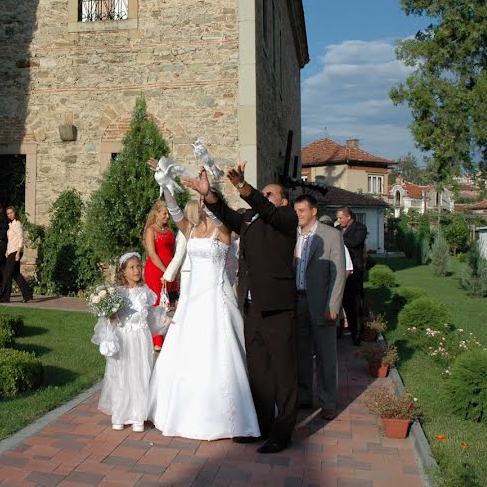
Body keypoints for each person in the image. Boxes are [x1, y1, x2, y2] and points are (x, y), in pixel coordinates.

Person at [187, 163, 299, 454]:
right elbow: (225, 214)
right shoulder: (249, 219)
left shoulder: (287, 217)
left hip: (278, 306)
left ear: (283, 200)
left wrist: (243, 187)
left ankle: (283, 432)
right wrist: (208, 194)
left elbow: (268, 210)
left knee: (283, 371)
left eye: (270, 193)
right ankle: (259, 425)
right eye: (263, 193)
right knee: (258, 370)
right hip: (252, 305)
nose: (265, 196)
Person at [148, 183, 261, 441]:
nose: (201, 206)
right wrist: (166, 184)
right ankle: (176, 411)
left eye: (206, 201)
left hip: (216, 298)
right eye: (200, 202)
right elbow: (176, 212)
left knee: (221, 350)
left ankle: (229, 415)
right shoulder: (191, 229)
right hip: (192, 298)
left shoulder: (223, 231)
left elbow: (221, 220)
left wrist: (212, 201)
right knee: (185, 351)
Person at [92, 252, 170, 432]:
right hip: (123, 338)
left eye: (138, 266)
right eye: (132, 267)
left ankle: (138, 415)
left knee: (140, 373)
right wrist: (110, 323)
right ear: (124, 272)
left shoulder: (146, 293)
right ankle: (120, 413)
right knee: (121, 374)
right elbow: (110, 319)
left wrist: (166, 321)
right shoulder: (116, 294)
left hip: (141, 339)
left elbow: (150, 316)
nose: (136, 270)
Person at [294, 195, 347, 420]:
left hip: (322, 302)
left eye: (302, 211)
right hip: (298, 301)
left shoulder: (332, 235)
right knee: (301, 353)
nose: (298, 215)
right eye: (296, 210)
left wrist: (333, 304)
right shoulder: (293, 235)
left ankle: (328, 401)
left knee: (325, 355)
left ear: (314, 211)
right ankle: (304, 396)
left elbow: (338, 272)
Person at [142, 199, 177, 349]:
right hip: (156, 270)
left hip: (169, 271)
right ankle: (157, 340)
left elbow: (174, 252)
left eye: (168, 214)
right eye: (164, 213)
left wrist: (175, 270)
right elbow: (152, 253)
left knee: (168, 303)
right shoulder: (151, 230)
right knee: (157, 302)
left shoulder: (169, 231)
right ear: (156, 213)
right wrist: (166, 270)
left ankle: (166, 333)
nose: (167, 216)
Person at [336, 206, 368, 345]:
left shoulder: (360, 228)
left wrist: (338, 238)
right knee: (342, 301)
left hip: (355, 271)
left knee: (355, 303)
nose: (338, 220)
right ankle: (344, 330)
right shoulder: (338, 229)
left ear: (349, 217)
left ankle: (358, 333)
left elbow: (355, 242)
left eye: (340, 217)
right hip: (341, 270)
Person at [0, 206, 32, 303]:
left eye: (11, 213)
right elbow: (11, 240)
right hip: (10, 252)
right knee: (16, 274)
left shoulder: (17, 224)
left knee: (6, 274)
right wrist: (7, 252)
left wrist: (17, 253)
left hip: (16, 252)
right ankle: (28, 294)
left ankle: (4, 297)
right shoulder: (11, 224)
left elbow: (21, 238)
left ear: (15, 212)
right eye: (8, 213)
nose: (10, 215)